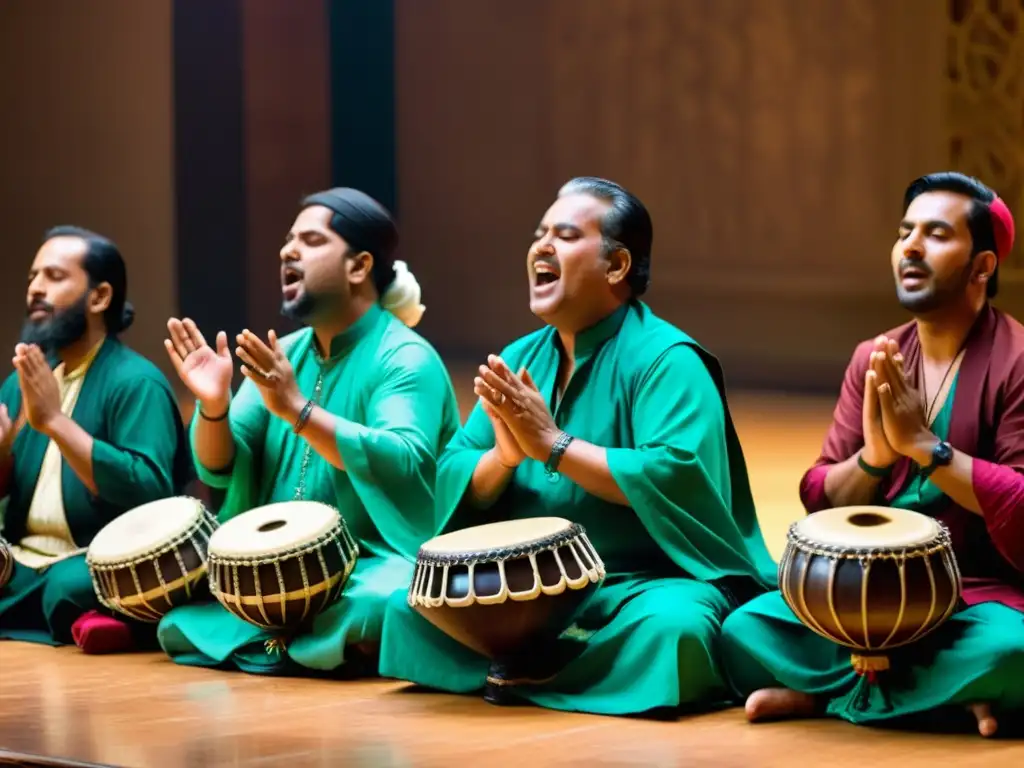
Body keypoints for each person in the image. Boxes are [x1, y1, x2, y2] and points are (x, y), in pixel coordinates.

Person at [378, 176, 777, 716]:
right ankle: (560, 667)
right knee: (407, 613)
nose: (541, 247)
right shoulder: (522, 357)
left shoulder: (668, 359)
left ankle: (525, 669)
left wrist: (554, 445)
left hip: (644, 585)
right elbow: (452, 465)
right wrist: (504, 458)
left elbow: (677, 472)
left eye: (564, 236)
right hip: (537, 590)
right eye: (539, 234)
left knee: (674, 634)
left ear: (616, 267)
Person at [720, 172, 1024, 737]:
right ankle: (945, 702)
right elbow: (819, 495)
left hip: (973, 600)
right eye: (905, 230)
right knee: (742, 632)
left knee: (1013, 653)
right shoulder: (874, 357)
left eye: (936, 234)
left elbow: (1020, 504)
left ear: (983, 266)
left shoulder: (1017, 361)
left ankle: (830, 696)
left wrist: (925, 449)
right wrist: (874, 461)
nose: (909, 246)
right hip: (866, 598)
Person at [156, 187, 460, 676]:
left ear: (359, 266)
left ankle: (280, 641)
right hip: (275, 565)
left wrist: (298, 409)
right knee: (176, 623)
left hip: (370, 562)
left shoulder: (404, 356)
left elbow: (404, 458)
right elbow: (219, 468)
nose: (287, 251)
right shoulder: (285, 355)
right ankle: (308, 646)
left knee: (382, 605)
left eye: (311, 240)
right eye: (287, 240)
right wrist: (213, 406)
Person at [0, 226, 192, 651]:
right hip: (22, 559)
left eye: (53, 276)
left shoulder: (136, 382)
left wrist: (54, 420)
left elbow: (151, 494)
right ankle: (92, 622)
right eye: (33, 277)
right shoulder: (22, 381)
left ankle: (107, 619)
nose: (35, 288)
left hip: (94, 558)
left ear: (100, 297)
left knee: (70, 586)